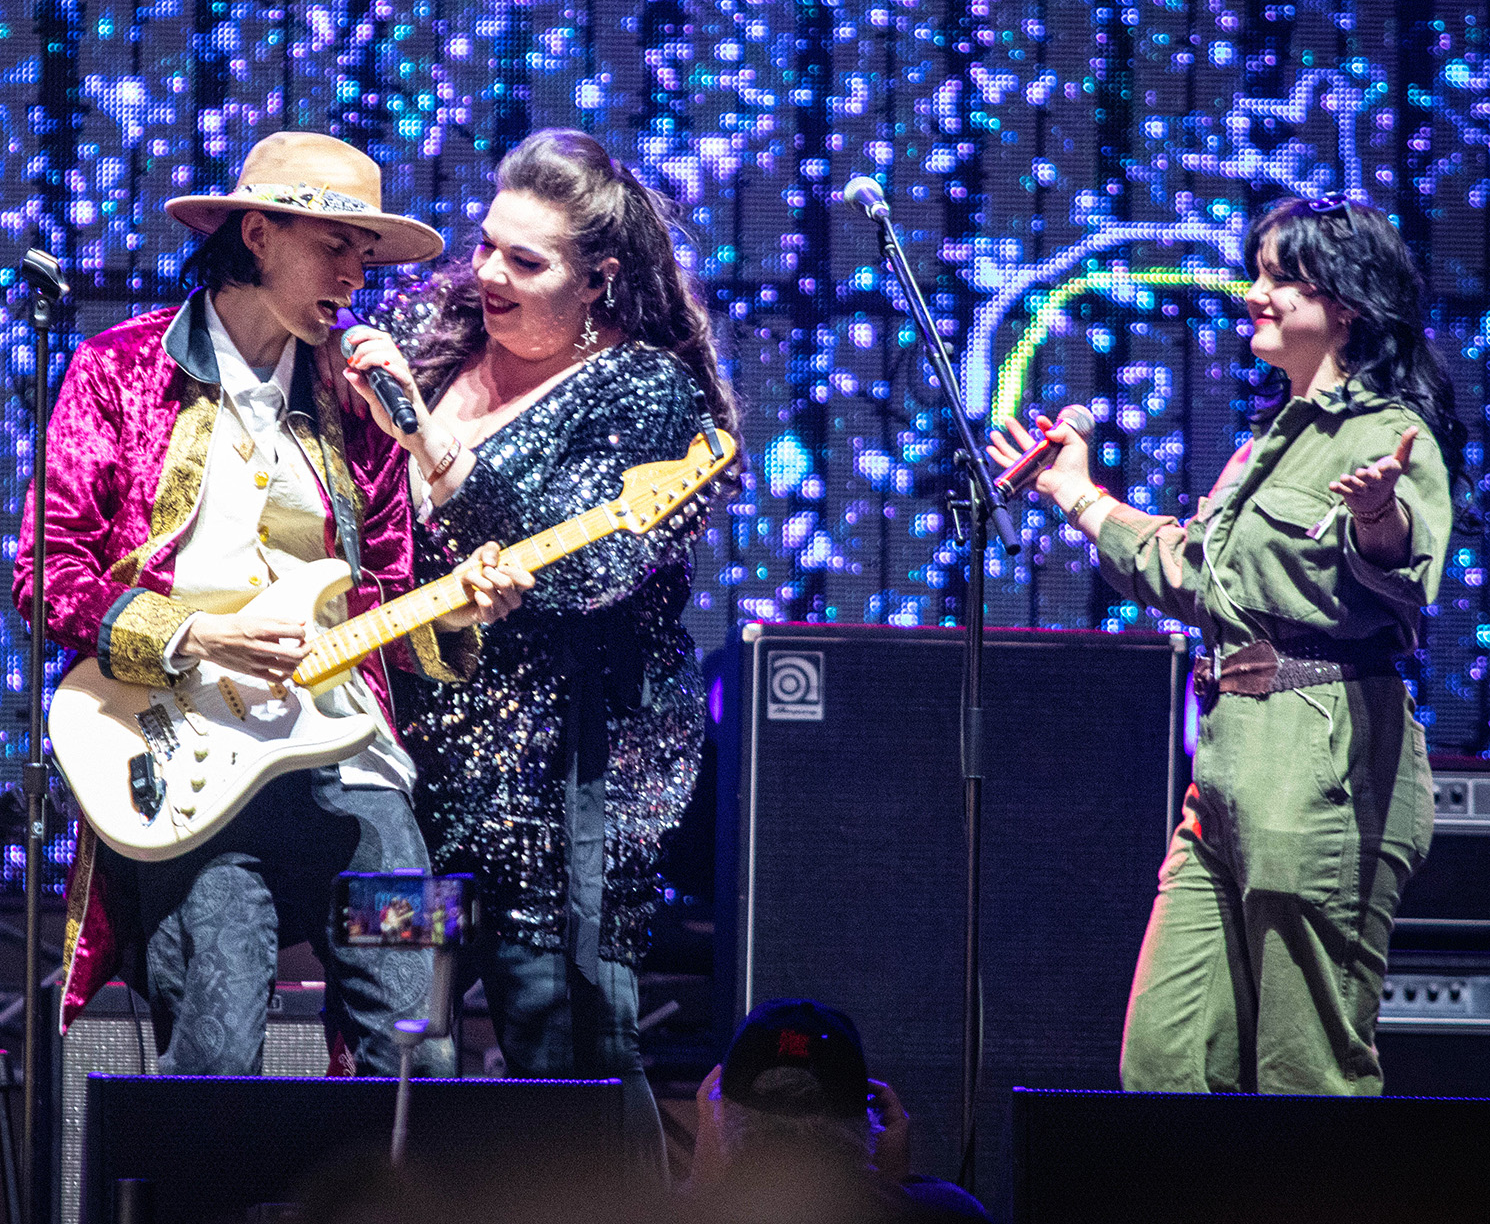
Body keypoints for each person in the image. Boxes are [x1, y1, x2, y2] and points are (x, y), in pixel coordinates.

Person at [13, 131, 529, 1076]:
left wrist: (451, 615)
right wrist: (200, 632)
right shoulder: (119, 369)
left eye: (365, 254)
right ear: (257, 233)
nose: (355, 276)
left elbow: (385, 590)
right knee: (216, 1046)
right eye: (334, 246)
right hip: (196, 767)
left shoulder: (359, 400)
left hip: (355, 764)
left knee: (422, 1044)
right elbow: (48, 572)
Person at [989, 194, 1464, 1094]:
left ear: (1346, 305)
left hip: (1320, 765)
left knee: (1305, 1071)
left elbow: (1406, 569)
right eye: (1257, 273)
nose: (1256, 293)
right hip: (1227, 770)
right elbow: (1197, 576)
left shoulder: (1387, 434)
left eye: (1282, 279)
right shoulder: (1265, 446)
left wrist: (1378, 517)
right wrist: (1078, 494)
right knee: (1162, 1062)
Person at [333, 129, 739, 1160]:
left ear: (599, 278)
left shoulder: (643, 391)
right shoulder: (431, 338)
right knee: (395, 1057)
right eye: (484, 246)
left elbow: (592, 567)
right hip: (399, 786)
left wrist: (429, 440)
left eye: (526, 260)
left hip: (555, 799)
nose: (489, 274)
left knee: (566, 1073)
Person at [690, 998, 989, 1222]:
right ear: (868, 1124)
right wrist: (890, 1183)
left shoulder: (676, 1215)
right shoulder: (954, 1214)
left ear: (719, 1117)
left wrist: (701, 1186)